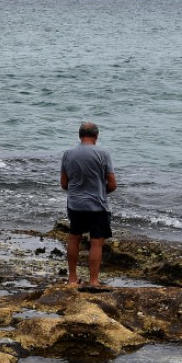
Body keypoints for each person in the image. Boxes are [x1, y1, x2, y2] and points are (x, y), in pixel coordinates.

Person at [60, 121, 117, 288]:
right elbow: (113, 185)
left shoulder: (68, 154)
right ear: (96, 137)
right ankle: (93, 280)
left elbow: (64, 184)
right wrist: (100, 190)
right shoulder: (103, 154)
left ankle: (72, 278)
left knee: (74, 238)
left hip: (75, 204)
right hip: (97, 205)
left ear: (79, 136)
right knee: (96, 241)